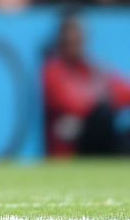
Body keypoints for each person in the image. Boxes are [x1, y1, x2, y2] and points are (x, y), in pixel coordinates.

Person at [42, 13, 130, 157]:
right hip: (72, 147)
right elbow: (72, 104)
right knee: (101, 114)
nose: (74, 44)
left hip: (99, 136)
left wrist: (103, 97)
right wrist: (101, 96)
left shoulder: (93, 69)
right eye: (70, 40)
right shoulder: (53, 70)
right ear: (61, 41)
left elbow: (124, 92)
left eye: (78, 39)